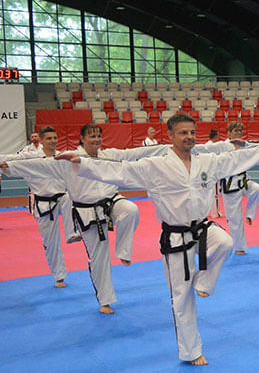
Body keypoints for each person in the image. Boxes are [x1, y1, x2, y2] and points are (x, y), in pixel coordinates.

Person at [60, 113, 259, 365]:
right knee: (182, 296)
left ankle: (204, 281)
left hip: (202, 228)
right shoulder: (156, 165)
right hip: (175, 236)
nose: (189, 137)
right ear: (171, 136)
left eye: (192, 132)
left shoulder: (207, 161)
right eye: (183, 133)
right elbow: (121, 170)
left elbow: (236, 159)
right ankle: (191, 351)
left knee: (225, 242)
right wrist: (84, 163)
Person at [8, 124, 165, 313]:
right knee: (98, 257)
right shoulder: (69, 159)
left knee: (130, 210)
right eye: (92, 136)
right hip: (86, 211)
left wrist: (169, 149)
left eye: (99, 135)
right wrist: (9, 166)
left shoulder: (109, 155)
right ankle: (105, 301)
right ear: (82, 139)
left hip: (110, 201)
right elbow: (38, 165)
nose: (97, 139)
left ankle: (123, 250)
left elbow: (135, 153)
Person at [0, 127, 80, 288]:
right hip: (43, 203)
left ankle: (71, 232)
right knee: (51, 243)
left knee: (70, 197)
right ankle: (59, 276)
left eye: (55, 138)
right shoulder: (30, 158)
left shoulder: (62, 156)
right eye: (49, 138)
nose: (53, 141)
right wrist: (4, 164)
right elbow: (11, 160)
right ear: (41, 140)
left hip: (61, 198)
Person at [221, 121, 259, 254]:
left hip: (243, 181)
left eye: (240, 131)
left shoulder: (244, 145)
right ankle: (239, 247)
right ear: (229, 133)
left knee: (257, 189)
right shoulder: (222, 146)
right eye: (236, 131)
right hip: (230, 185)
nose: (239, 133)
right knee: (235, 219)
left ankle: (249, 214)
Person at [205, 129, 223, 218]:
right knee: (215, 194)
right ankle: (216, 213)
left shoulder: (206, 145)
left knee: (209, 193)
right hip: (213, 172)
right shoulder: (213, 146)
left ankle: (209, 211)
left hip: (207, 172)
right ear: (215, 136)